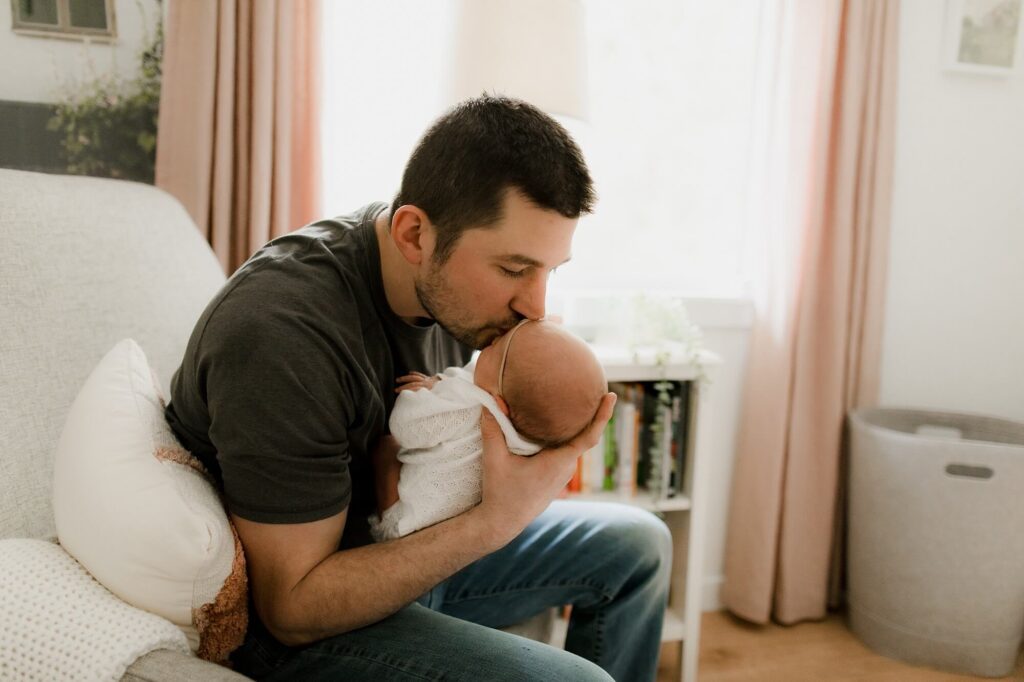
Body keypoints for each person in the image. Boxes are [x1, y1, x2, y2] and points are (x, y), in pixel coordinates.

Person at [165, 95, 672, 682]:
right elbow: (291, 609)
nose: (535, 305)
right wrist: (494, 523)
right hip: (303, 613)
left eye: (549, 271)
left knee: (638, 545)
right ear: (413, 234)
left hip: (400, 536)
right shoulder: (280, 335)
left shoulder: (448, 290)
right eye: (513, 269)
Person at [371, 318, 608, 541]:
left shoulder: (470, 409)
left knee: (386, 448)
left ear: (499, 403)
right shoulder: (531, 435)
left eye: (498, 348)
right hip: (459, 534)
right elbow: (482, 376)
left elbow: (407, 428)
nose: (492, 342)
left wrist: (427, 392)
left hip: (407, 524)